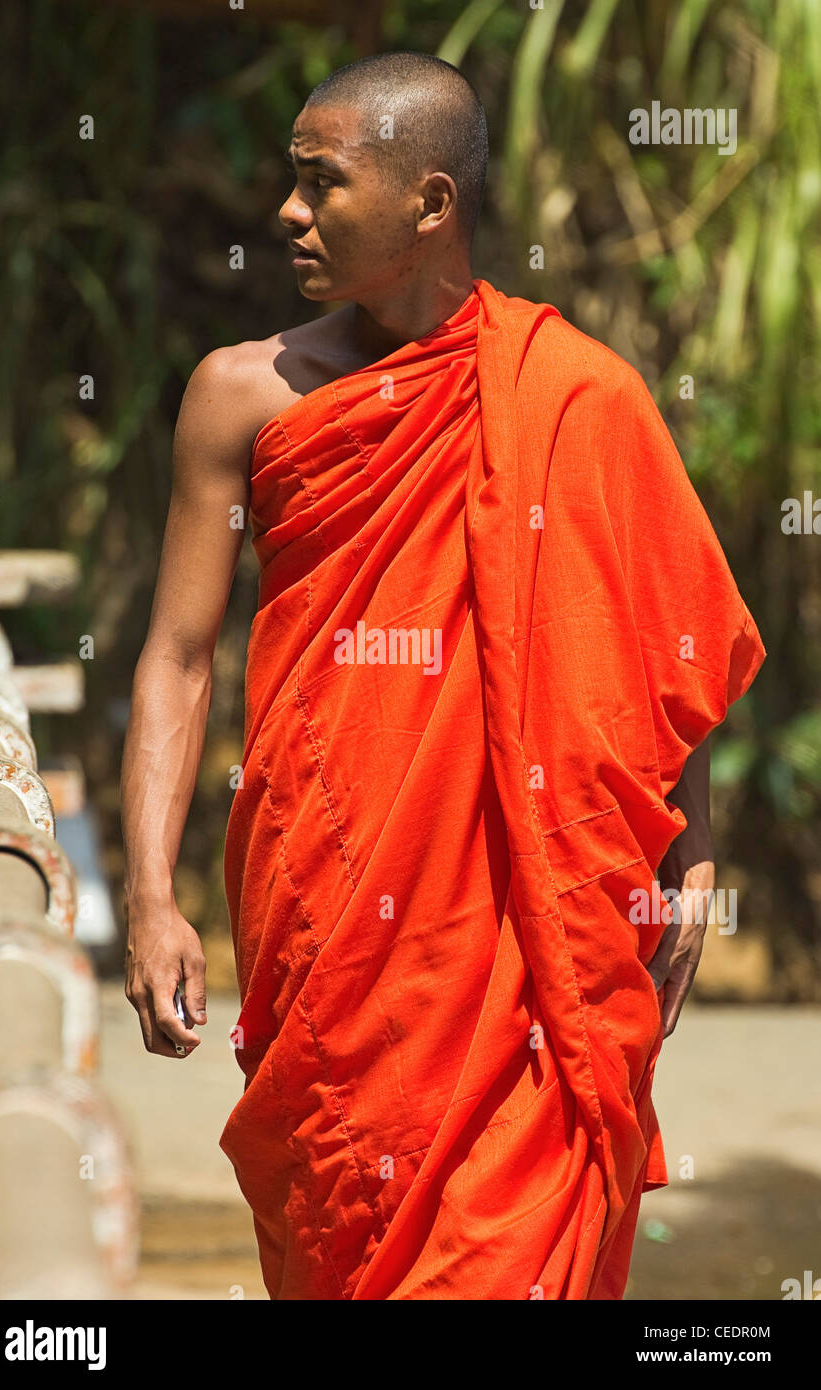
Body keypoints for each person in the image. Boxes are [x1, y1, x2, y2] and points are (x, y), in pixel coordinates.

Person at [120, 51, 765, 1300]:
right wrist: (149, 895)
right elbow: (174, 654)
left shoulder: (574, 395)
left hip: (527, 935)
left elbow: (645, 651)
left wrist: (676, 843)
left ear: (429, 203)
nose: (287, 215)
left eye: (322, 186)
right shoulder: (240, 397)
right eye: (290, 184)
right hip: (330, 910)